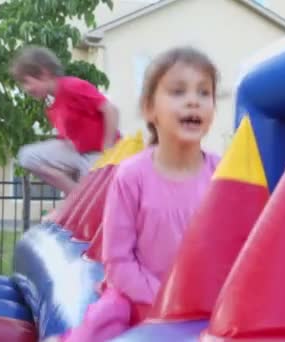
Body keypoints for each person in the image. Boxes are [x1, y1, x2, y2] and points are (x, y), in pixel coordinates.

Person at [47, 46, 221, 342]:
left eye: (204, 93)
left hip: (200, 300)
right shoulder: (131, 175)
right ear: (149, 109)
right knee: (104, 319)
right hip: (136, 295)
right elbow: (118, 259)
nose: (194, 101)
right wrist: (161, 299)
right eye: (178, 92)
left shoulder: (221, 174)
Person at [10, 45, 120, 198]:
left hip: (100, 153)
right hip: (80, 154)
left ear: (44, 73)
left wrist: (108, 148)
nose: (26, 89)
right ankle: (77, 194)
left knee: (96, 196)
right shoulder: (52, 107)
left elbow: (110, 110)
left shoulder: (73, 87)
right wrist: (62, 173)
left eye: (27, 82)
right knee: (27, 156)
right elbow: (68, 142)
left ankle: (82, 197)